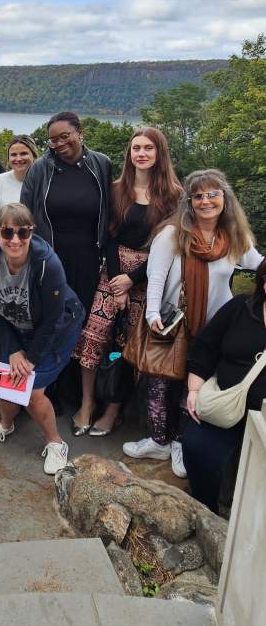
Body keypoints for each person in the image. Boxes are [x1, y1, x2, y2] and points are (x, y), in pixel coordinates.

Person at [123, 169, 262, 477]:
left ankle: (180, 443)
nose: (205, 201)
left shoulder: (236, 238)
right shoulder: (172, 235)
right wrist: (152, 314)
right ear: (189, 202)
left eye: (213, 194)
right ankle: (159, 440)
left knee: (193, 389)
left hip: (214, 329)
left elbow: (259, 268)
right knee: (159, 384)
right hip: (172, 325)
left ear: (225, 198)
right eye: (198, 196)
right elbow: (155, 275)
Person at [73, 128, 182, 436]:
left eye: (148, 148)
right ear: (129, 154)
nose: (142, 153)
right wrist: (116, 280)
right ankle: (87, 402)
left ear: (159, 152)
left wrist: (133, 279)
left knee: (129, 347)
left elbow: (170, 247)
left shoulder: (174, 196)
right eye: (136, 148)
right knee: (93, 337)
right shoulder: (117, 189)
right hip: (112, 272)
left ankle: (113, 410)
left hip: (150, 278)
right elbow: (108, 235)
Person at [0, 203, 84, 475]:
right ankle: (5, 425)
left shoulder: (47, 263)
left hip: (56, 326)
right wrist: (12, 349)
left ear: (31, 232)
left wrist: (31, 358)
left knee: (32, 391)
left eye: (22, 233)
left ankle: (56, 443)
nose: (14, 240)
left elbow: (53, 319)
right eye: (7, 232)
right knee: (7, 382)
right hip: (14, 322)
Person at [21, 111, 112, 416]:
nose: (59, 144)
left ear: (79, 132)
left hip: (88, 259)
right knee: (53, 322)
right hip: (50, 261)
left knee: (83, 324)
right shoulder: (40, 168)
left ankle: (79, 392)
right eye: (53, 139)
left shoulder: (99, 164)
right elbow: (25, 215)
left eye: (65, 136)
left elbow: (109, 213)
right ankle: (50, 389)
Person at [182, 258, 266, 514]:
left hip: (263, 415)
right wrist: (194, 389)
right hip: (225, 401)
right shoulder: (240, 307)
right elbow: (206, 346)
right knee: (197, 447)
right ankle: (207, 512)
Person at [0, 135, 39, 225]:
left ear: (34, 156)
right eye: (13, 155)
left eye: (24, 153)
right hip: (4, 238)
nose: (18, 158)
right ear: (8, 158)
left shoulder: (44, 181)